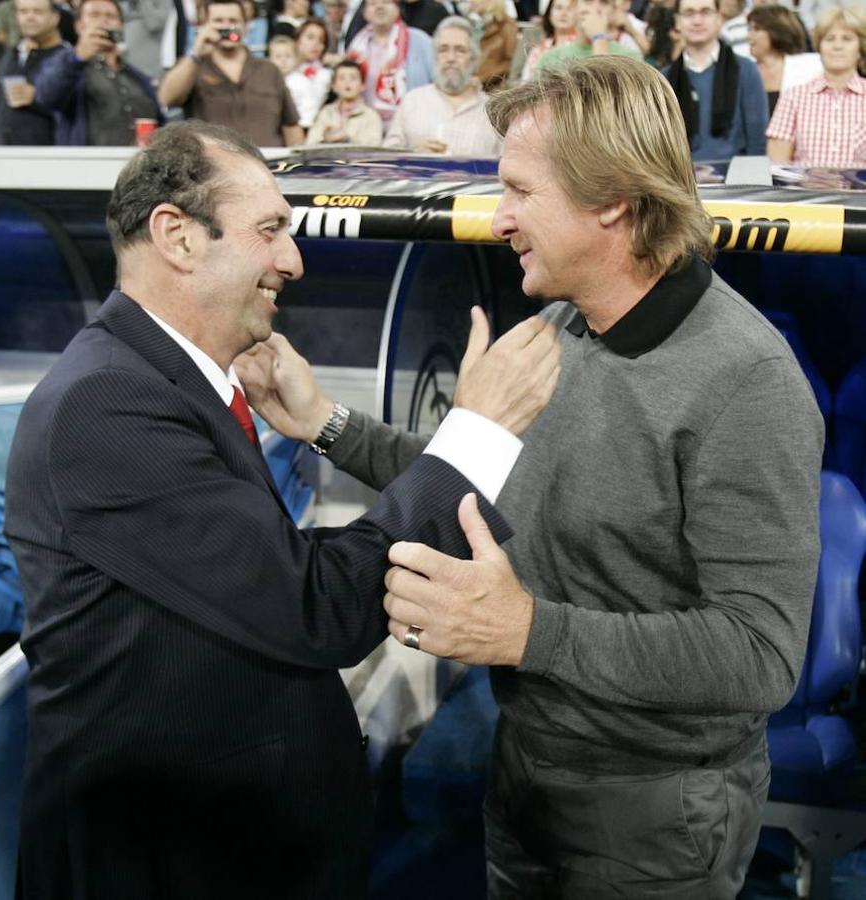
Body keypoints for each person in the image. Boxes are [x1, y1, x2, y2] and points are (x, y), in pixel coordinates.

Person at [247, 55, 824, 898]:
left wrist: (526, 634)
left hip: (657, 814)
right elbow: (485, 478)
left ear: (613, 202)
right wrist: (324, 425)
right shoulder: (561, 324)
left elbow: (758, 654)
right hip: (526, 763)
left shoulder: (745, 382)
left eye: (519, 190)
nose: (496, 219)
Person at [4, 118, 561, 900]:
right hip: (172, 860)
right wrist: (476, 432)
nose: (292, 261)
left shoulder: (163, 382)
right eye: (270, 230)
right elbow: (315, 606)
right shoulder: (109, 404)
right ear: (178, 236)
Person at [159, 0, 304, 146]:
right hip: (213, 165)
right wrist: (196, 53)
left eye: (233, 20)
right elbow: (167, 98)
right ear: (204, 26)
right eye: (218, 21)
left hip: (265, 164)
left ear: (246, 26)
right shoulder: (193, 67)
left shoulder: (269, 70)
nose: (227, 26)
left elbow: (291, 125)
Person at [35, 0, 161, 144]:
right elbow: (47, 96)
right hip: (87, 163)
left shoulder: (137, 75)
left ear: (121, 26)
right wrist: (78, 57)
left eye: (111, 16)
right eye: (94, 15)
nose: (103, 20)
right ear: (79, 25)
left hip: (136, 162)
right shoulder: (64, 63)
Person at [666, 0, 769, 159]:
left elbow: (757, 141)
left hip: (735, 180)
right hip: (679, 180)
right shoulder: (664, 78)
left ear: (720, 18)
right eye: (688, 13)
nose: (697, 21)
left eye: (706, 12)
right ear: (677, 21)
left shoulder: (745, 70)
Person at [766, 4, 866, 168]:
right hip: (806, 193)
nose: (837, 46)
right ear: (819, 46)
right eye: (829, 38)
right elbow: (778, 166)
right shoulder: (794, 97)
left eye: (847, 39)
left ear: (860, 48)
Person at [383, 15, 500, 154]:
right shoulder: (412, 101)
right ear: (435, 56)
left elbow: (506, 167)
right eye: (443, 49)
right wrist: (414, 155)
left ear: (473, 58)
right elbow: (387, 159)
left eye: (460, 50)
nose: (450, 58)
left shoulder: (493, 112)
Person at [0, 0, 70, 145]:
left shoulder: (68, 59)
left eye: (38, 11)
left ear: (55, 17)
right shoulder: (9, 55)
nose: (30, 17)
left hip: (51, 156)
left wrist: (38, 98)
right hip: (4, 154)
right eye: (23, 11)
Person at [347, 0, 433, 125]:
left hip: (412, 123)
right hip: (366, 127)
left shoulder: (420, 40)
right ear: (364, 13)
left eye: (386, 2)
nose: (379, 7)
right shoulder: (356, 48)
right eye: (372, 4)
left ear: (398, 8)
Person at [748, 3, 821, 115]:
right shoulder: (745, 71)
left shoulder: (812, 66)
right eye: (749, 29)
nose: (749, 36)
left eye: (756, 29)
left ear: (777, 31)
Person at [535, 0, 643, 71]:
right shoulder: (550, 58)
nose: (595, 9)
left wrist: (599, 37)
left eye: (604, 2)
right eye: (588, 0)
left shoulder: (631, 58)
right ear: (574, 7)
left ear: (613, 10)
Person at [305, 56, 383, 142]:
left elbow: (373, 147)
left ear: (362, 85)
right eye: (342, 78)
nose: (347, 82)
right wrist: (325, 140)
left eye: (353, 78)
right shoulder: (326, 113)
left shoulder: (371, 116)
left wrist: (347, 139)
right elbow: (310, 142)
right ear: (333, 86)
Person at [285, 16, 332, 128]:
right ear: (297, 40)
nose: (315, 44)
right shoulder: (283, 72)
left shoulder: (328, 76)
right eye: (310, 37)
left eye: (321, 40)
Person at [520, 0, 576, 80]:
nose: (563, 13)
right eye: (558, 8)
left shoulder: (583, 46)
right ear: (549, 13)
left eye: (569, 9)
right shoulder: (539, 48)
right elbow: (525, 80)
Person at [467, 0, 517, 90]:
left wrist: (481, 78)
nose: (471, 2)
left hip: (494, 88)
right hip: (471, 86)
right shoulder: (473, 25)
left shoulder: (507, 25)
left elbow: (509, 63)